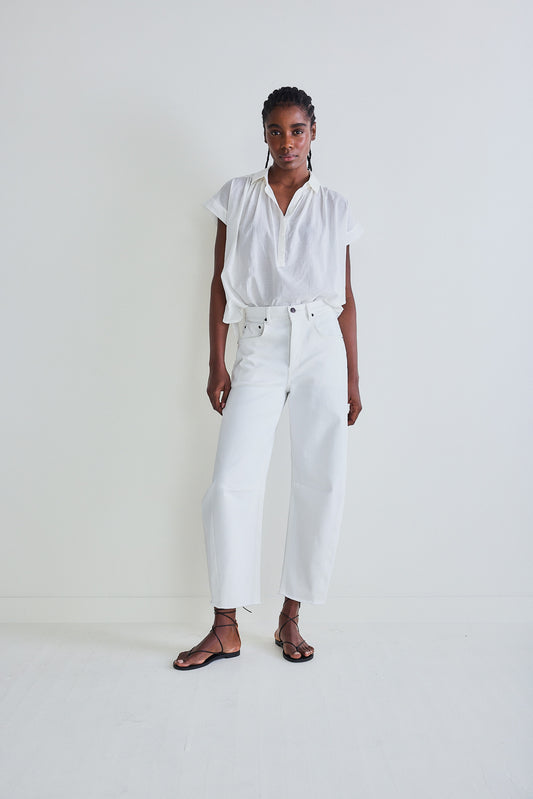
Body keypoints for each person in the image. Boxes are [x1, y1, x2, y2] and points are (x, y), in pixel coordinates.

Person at [173, 86, 363, 670]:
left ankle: (291, 617)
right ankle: (225, 626)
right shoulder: (237, 196)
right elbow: (218, 282)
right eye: (276, 130)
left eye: (297, 130)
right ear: (264, 134)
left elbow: (346, 295)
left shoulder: (334, 206)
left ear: (313, 133)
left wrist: (353, 377)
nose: (287, 141)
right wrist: (217, 360)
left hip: (321, 345)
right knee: (230, 482)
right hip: (257, 341)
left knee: (319, 479)